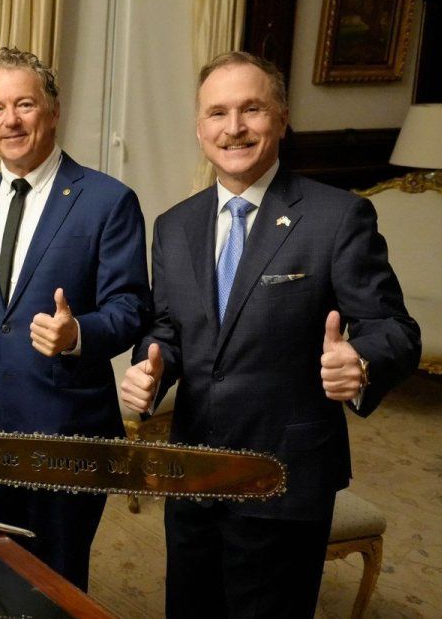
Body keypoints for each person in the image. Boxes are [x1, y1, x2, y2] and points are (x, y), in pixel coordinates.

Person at [118, 51, 420, 617]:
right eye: (217, 113)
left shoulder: (337, 217)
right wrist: (151, 366)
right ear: (199, 127)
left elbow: (395, 329)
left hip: (285, 480)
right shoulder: (174, 225)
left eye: (251, 109)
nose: (233, 127)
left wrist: (361, 362)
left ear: (282, 118)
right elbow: (168, 327)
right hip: (193, 475)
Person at [0, 47, 151, 590]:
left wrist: (78, 333)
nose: (10, 120)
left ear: (53, 111)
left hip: (67, 432)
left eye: (24, 105)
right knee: (2, 567)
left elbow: (131, 308)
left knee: (58, 579)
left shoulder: (107, 201)